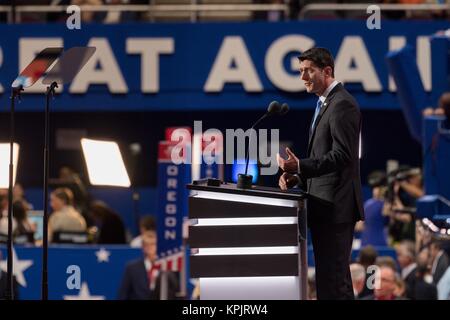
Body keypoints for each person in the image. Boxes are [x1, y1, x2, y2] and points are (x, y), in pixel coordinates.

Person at [277, 47, 364, 300]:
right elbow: (325, 159)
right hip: (324, 206)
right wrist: (297, 177)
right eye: (301, 71)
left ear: (327, 71)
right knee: (328, 281)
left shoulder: (342, 104)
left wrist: (301, 166)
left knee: (335, 282)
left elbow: (343, 156)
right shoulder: (326, 103)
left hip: (336, 208)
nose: (303, 77)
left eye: (308, 71)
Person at [118, 231, 179, 300]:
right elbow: (123, 296)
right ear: (144, 248)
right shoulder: (132, 268)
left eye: (157, 245)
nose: (155, 249)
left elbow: (175, 293)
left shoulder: (168, 268)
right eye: (150, 245)